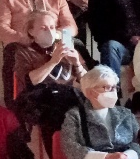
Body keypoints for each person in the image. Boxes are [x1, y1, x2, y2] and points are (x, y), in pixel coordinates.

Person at [0, 0, 79, 105]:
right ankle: (15, 103)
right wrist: (26, 38)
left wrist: (55, 35)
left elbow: (71, 27)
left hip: (53, 44)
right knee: (12, 50)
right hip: (24, 47)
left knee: (78, 45)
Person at [12, 10, 86, 151]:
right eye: (43, 28)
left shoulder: (64, 46)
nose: (50, 31)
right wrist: (53, 61)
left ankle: (83, 152)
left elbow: (87, 82)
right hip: (40, 99)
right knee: (54, 114)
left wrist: (77, 63)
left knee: (88, 106)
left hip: (67, 96)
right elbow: (30, 81)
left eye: (52, 27)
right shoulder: (23, 52)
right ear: (31, 31)